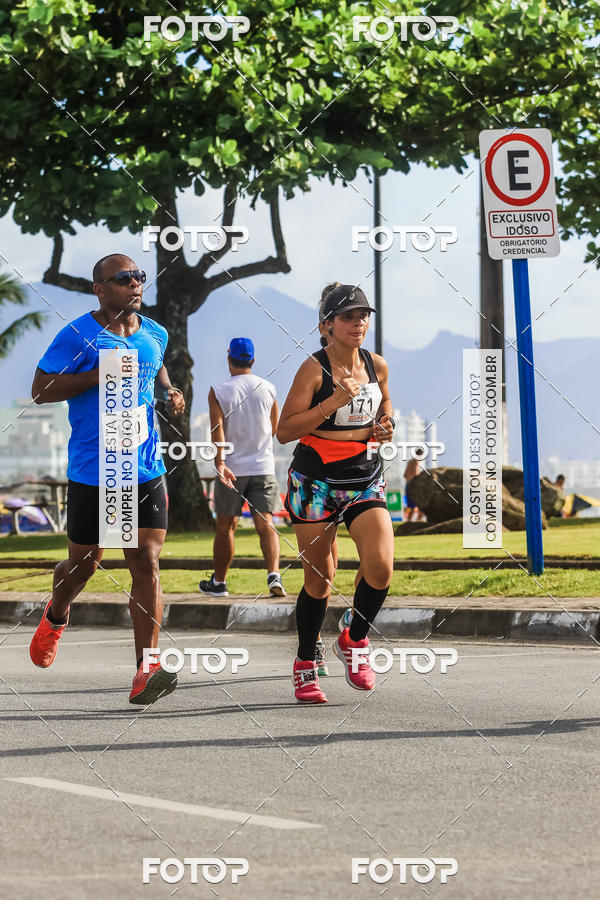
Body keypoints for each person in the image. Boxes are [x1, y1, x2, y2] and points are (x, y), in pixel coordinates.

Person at [29, 254, 185, 705]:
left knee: (146, 561)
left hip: (144, 467)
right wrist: (98, 374)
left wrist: (170, 395)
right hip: (95, 472)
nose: (135, 284)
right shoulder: (79, 335)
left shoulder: (156, 333)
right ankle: (56, 615)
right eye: (123, 279)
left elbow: (157, 370)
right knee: (85, 564)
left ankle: (145, 669)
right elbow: (40, 389)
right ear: (100, 288)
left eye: (139, 277)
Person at [277, 283, 395, 703]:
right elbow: (285, 431)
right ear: (326, 325)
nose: (358, 322)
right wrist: (331, 404)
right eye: (347, 316)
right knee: (320, 577)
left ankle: (355, 639)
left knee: (380, 567)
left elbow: (385, 408)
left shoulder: (377, 364)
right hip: (316, 480)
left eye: (363, 315)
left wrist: (385, 426)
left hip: (364, 476)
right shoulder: (313, 369)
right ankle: (305, 662)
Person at [199, 338, 285, 598]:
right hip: (263, 466)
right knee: (266, 523)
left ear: (229, 359)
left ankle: (220, 583)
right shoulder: (268, 388)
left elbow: (218, 430)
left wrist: (220, 463)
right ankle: (273, 575)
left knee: (226, 526)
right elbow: (275, 428)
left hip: (232, 469)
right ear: (253, 361)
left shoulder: (219, 390)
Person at [404, 446, 426, 522]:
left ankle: (410, 521)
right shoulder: (416, 462)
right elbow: (416, 475)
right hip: (413, 486)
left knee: (412, 505)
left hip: (407, 486)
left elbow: (405, 475)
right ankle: (417, 521)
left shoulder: (410, 462)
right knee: (419, 504)